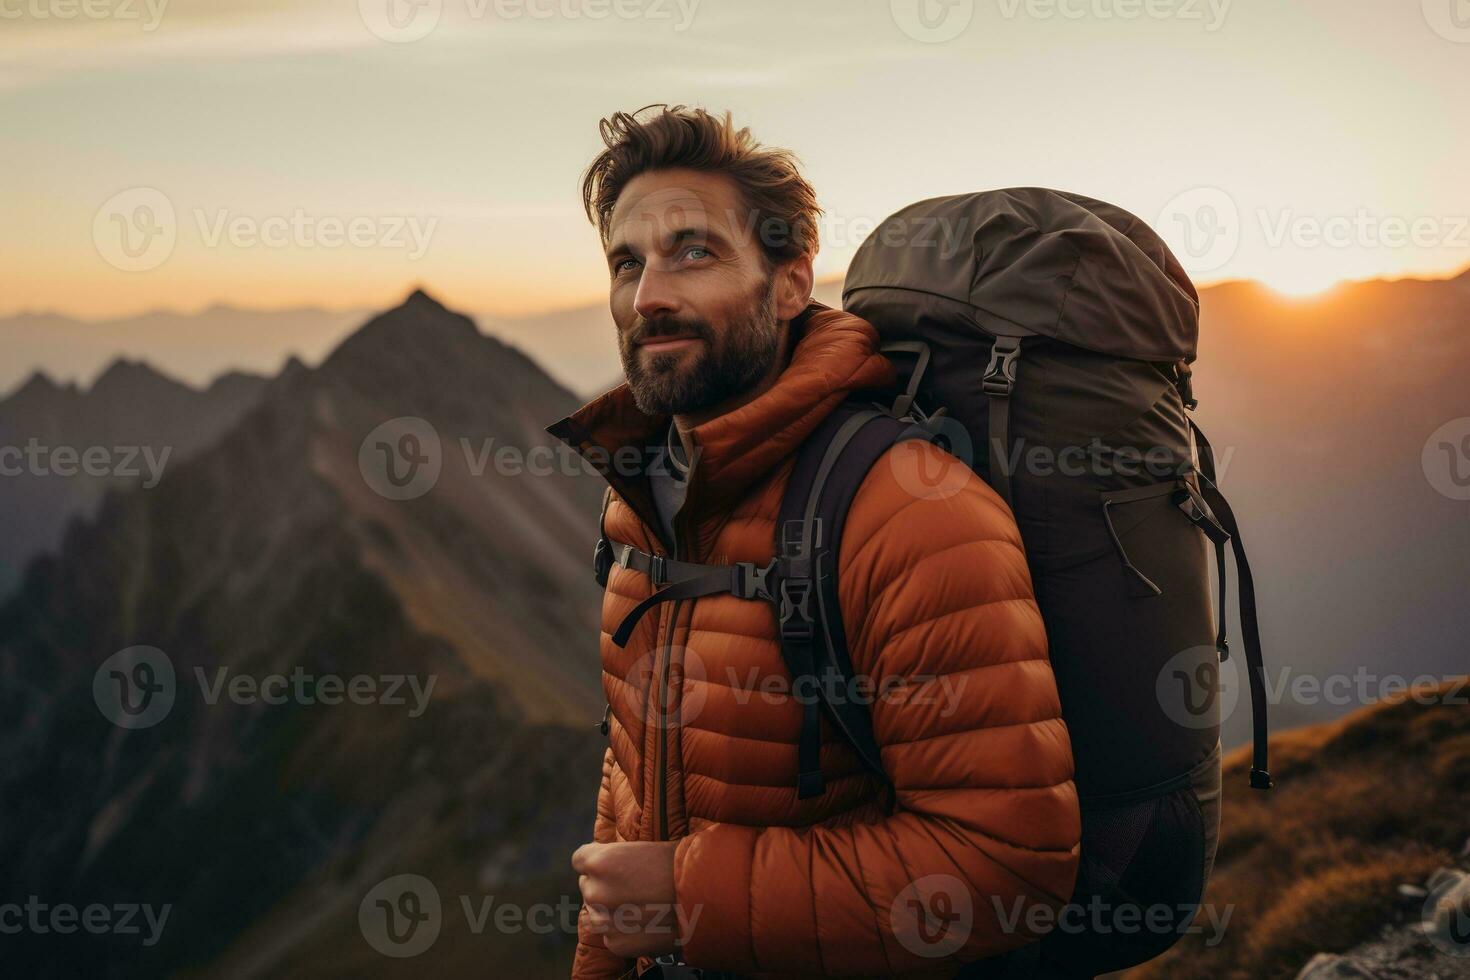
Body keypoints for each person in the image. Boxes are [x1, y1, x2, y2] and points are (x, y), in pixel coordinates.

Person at [546, 104, 1080, 980]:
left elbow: (1010, 862)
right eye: (627, 263)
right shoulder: (640, 499)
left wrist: (686, 899)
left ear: (790, 283)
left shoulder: (911, 512)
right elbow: (630, 795)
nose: (649, 297)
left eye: (694, 251)